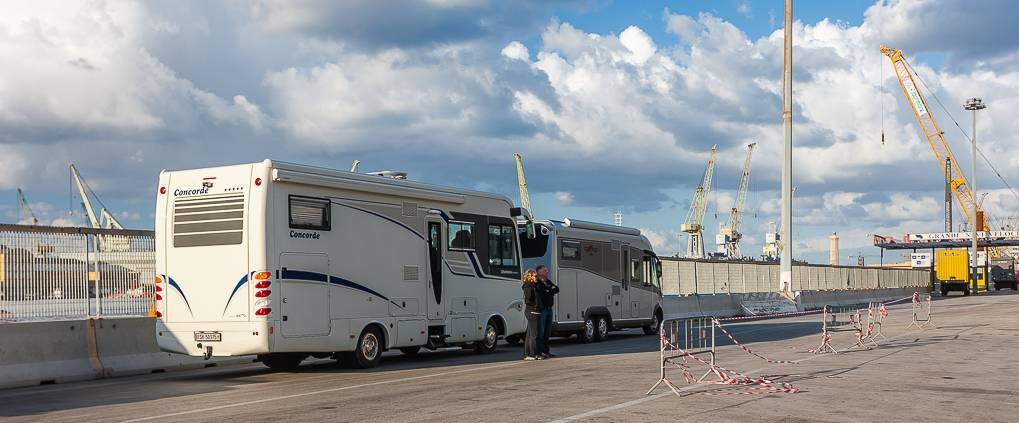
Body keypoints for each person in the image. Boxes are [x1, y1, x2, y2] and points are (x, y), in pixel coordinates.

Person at [536, 264, 559, 358]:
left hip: (549, 309)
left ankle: (546, 351)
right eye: (545, 270)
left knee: (547, 332)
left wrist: (548, 290)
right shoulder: (537, 282)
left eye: (547, 270)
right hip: (543, 310)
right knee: (541, 332)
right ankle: (540, 352)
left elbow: (557, 289)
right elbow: (542, 293)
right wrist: (549, 290)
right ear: (540, 272)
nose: (547, 272)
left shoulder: (547, 281)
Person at [521, 269, 543, 361]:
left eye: (536, 275)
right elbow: (528, 300)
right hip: (532, 311)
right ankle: (532, 354)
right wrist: (536, 306)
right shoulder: (528, 286)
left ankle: (529, 354)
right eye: (534, 275)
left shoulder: (533, 285)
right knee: (534, 335)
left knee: (530, 334)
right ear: (529, 276)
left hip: (533, 311)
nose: (536, 277)